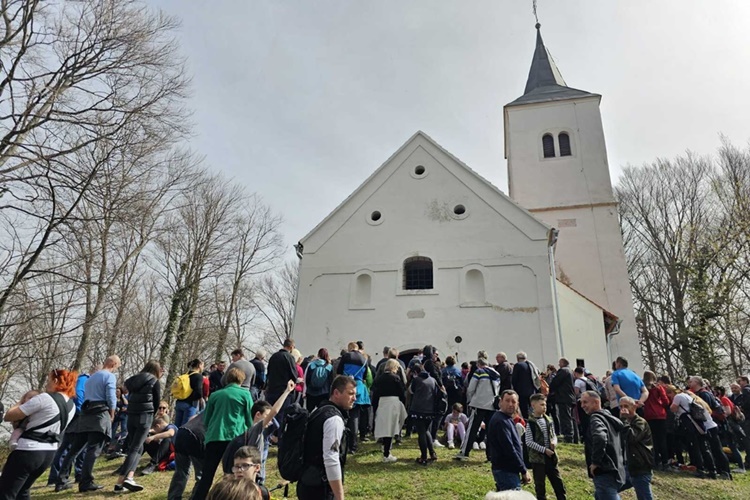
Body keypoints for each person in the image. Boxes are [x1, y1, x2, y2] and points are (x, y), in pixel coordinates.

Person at [0, 369, 77, 499]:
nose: (46, 384)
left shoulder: (45, 398)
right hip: (48, 453)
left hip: (28, 450)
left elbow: (9, 416)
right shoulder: (71, 405)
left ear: (56, 381)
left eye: (49, 380)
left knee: (6, 493)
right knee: (23, 492)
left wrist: (21, 401)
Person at [57, 355, 121, 492]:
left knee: (75, 449)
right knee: (94, 449)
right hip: (99, 413)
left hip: (86, 413)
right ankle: (86, 482)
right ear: (114, 364)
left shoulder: (91, 378)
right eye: (118, 366)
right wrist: (112, 413)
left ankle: (61, 480)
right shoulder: (109, 376)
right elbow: (111, 396)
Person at [192, 367, 254, 500]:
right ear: (241, 380)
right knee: (232, 473)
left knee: (207, 475)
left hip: (214, 437)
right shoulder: (245, 395)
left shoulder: (215, 395)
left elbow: (206, 419)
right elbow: (250, 419)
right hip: (234, 438)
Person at [221, 380, 296, 482]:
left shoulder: (255, 432)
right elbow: (275, 411)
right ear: (258, 415)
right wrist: (287, 391)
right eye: (267, 417)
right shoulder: (255, 430)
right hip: (251, 480)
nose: (270, 422)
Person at [297, 375, 356, 500]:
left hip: (306, 481)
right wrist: (339, 496)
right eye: (350, 393)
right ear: (336, 393)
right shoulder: (334, 419)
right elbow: (331, 458)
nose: (354, 398)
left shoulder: (318, 410)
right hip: (321, 487)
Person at [110, 359, 162, 492]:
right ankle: (120, 482)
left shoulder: (133, 381)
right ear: (156, 370)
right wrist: (153, 415)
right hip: (145, 417)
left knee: (138, 447)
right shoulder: (154, 381)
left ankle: (130, 477)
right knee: (135, 448)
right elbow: (156, 401)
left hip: (131, 416)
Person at [48, 365, 96, 486]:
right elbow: (78, 394)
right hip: (78, 417)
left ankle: (77, 474)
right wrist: (82, 411)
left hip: (81, 417)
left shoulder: (88, 380)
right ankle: (55, 478)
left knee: (80, 447)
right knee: (67, 447)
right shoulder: (85, 379)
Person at [580, 390, 626, 500]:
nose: (582, 406)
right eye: (581, 403)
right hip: (616, 469)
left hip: (604, 470)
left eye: (585, 402)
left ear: (596, 402)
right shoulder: (608, 418)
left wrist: (595, 462)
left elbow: (600, 437)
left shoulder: (596, 418)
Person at [455, 357, 500, 460]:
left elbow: (471, 388)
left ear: (479, 365)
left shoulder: (479, 372)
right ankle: (490, 455)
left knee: (472, 429)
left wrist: (470, 400)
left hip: (479, 405)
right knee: (490, 431)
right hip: (492, 405)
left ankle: (465, 452)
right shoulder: (496, 374)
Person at [487, 390, 531, 491]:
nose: (510, 404)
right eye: (507, 401)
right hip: (505, 471)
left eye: (513, 402)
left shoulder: (507, 419)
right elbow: (509, 448)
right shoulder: (501, 421)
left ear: (517, 404)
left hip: (509, 470)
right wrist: (523, 470)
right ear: (500, 402)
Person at [525, 394, 566, 500]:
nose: (544, 407)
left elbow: (553, 435)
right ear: (533, 405)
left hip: (550, 457)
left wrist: (554, 442)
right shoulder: (531, 423)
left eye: (545, 404)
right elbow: (529, 441)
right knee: (540, 485)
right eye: (541, 404)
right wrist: (544, 450)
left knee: (558, 482)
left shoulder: (548, 420)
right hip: (538, 459)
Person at [336, 341, 372, 454]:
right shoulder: (364, 358)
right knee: (355, 416)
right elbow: (366, 375)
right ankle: (353, 446)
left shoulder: (346, 356)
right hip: (359, 387)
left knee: (344, 415)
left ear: (350, 348)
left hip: (346, 385)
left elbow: (339, 371)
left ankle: (343, 442)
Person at [371, 358, 407, 462]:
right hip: (393, 403)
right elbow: (401, 391)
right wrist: (403, 402)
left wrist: (375, 405)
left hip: (382, 403)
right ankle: (387, 453)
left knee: (384, 426)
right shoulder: (396, 378)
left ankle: (385, 447)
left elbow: (375, 392)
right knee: (391, 427)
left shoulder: (379, 378)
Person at [619, 397, 653, 500]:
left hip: (640, 466)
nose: (623, 409)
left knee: (644, 496)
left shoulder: (640, 422)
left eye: (626, 406)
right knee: (606, 491)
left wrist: (623, 420)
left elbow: (632, 437)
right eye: (621, 407)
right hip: (627, 466)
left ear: (634, 407)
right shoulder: (623, 422)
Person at [265, 339, 299, 436]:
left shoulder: (273, 357)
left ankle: (268, 434)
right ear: (291, 347)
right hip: (283, 391)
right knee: (281, 414)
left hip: (271, 389)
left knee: (269, 413)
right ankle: (278, 435)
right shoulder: (289, 357)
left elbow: (269, 373)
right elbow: (294, 374)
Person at [167, 413, 205, 500]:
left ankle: (173, 497)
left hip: (182, 432)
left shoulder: (205, 411)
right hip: (198, 437)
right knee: (202, 476)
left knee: (180, 472)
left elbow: (192, 418)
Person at [408, 363, 438, 465]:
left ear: (416, 372)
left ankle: (424, 456)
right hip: (430, 409)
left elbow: (411, 391)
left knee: (421, 433)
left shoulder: (417, 380)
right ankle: (432, 453)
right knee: (426, 431)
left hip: (418, 409)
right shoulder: (432, 380)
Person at [641, 370, 669, 470]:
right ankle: (665, 462)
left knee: (652, 440)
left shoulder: (643, 388)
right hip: (660, 415)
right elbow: (665, 401)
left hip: (648, 415)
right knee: (662, 439)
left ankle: (655, 460)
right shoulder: (658, 387)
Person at [548, 358, 575, 443]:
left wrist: (551, 389)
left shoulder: (563, 371)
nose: (558, 365)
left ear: (563, 363)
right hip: (569, 397)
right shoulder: (570, 371)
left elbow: (555, 382)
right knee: (569, 417)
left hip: (563, 397)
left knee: (565, 417)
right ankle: (572, 436)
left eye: (559, 363)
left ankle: (568, 436)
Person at [175, 359, 204, 428]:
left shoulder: (185, 375)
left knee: (176, 427)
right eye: (203, 365)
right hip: (190, 404)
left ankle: (175, 438)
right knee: (186, 427)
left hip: (179, 402)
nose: (203, 367)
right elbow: (199, 392)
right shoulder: (198, 376)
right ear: (199, 365)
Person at [511, 352, 539, 419]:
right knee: (532, 408)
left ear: (518, 358)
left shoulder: (518, 365)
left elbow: (514, 379)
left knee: (524, 410)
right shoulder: (531, 365)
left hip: (521, 392)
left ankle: (527, 424)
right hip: (532, 391)